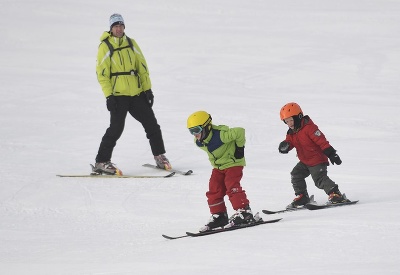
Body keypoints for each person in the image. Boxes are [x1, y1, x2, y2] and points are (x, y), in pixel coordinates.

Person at [93, 13, 171, 175]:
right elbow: (102, 74)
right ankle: (101, 161)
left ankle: (159, 156)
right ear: (111, 28)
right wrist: (109, 96)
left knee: (152, 125)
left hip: (136, 94)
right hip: (118, 96)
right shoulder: (105, 46)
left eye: (121, 26)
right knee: (116, 129)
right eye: (116, 26)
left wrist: (147, 89)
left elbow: (142, 67)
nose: (119, 29)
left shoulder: (131, 43)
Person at [187, 111, 256, 232]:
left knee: (231, 186)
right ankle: (219, 216)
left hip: (233, 163)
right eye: (191, 131)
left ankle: (245, 212)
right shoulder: (199, 142)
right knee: (214, 188)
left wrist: (240, 149)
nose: (195, 135)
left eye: (196, 130)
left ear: (207, 126)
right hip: (219, 167)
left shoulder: (221, 135)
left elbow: (240, 131)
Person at [278, 102, 348, 208]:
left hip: (317, 160)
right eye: (286, 122)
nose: (290, 124)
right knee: (296, 174)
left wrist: (332, 153)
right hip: (305, 161)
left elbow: (322, 141)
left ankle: (336, 194)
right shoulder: (291, 132)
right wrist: (285, 146)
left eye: (291, 120)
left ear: (299, 117)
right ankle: (302, 196)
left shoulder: (310, 128)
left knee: (319, 179)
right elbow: (290, 142)